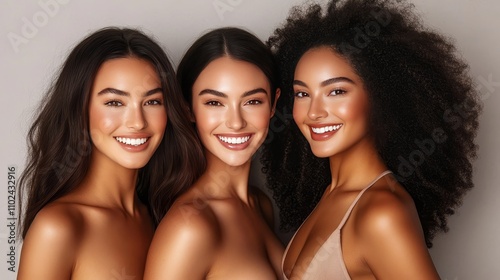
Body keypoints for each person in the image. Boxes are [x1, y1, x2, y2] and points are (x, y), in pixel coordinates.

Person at [260, 0, 481, 279]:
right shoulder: (331, 194)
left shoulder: (382, 213)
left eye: (337, 91)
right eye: (303, 94)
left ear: (379, 96)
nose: (314, 112)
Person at [17, 27, 204, 279]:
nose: (137, 122)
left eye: (152, 102)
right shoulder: (59, 227)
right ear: (79, 109)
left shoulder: (165, 216)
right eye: (115, 103)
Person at [144, 27, 284, 279]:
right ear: (188, 109)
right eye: (214, 103)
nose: (236, 122)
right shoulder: (190, 226)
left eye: (252, 101)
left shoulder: (260, 204)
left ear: (273, 104)